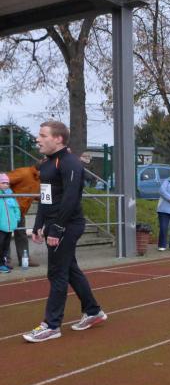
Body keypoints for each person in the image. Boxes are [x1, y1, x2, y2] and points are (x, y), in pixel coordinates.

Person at [22, 121, 107, 343]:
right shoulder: (46, 165)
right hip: (54, 225)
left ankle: (51, 325)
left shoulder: (70, 163)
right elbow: (45, 198)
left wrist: (57, 229)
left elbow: (70, 199)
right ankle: (93, 311)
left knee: (57, 273)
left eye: (43, 135)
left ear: (58, 139)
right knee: (69, 269)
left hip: (68, 225)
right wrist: (39, 224)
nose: (37, 139)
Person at [8, 165, 40, 267]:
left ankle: (24, 260)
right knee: (5, 235)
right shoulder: (23, 172)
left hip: (20, 212)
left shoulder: (39, 179)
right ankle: (4, 260)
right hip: (8, 209)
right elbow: (4, 181)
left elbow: (36, 195)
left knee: (21, 234)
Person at [0, 172, 21, 273]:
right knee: (0, 245)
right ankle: (0, 265)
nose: (6, 185)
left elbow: (16, 207)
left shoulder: (10, 194)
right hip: (1, 226)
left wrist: (17, 218)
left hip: (9, 226)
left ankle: (4, 263)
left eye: (7, 183)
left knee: (5, 246)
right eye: (3, 183)